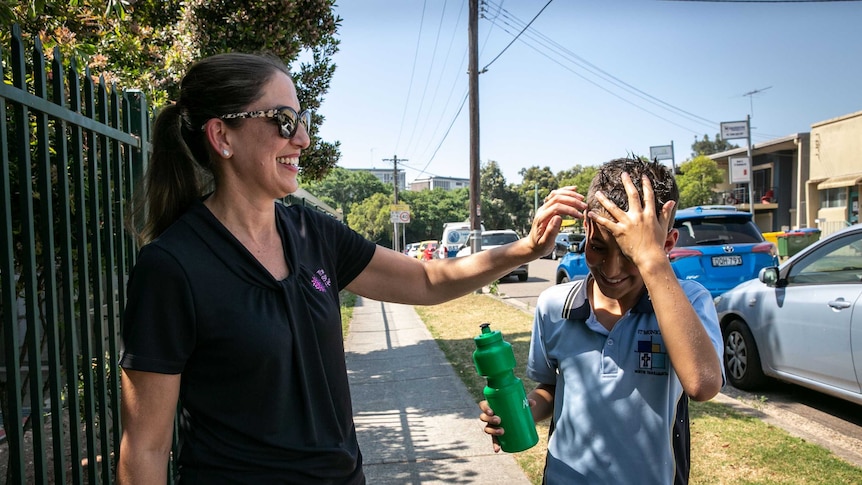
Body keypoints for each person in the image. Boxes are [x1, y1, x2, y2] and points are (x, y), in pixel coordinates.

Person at [116, 52, 586, 485]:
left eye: (302, 120)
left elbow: (426, 279)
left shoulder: (312, 234)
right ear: (222, 136)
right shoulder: (173, 268)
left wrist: (524, 250)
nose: (301, 138)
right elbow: (146, 448)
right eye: (283, 121)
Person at [479, 158, 724, 484]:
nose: (611, 269)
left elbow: (703, 385)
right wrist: (521, 412)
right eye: (597, 247)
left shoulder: (689, 302)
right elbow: (552, 388)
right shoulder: (555, 306)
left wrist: (651, 260)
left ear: (667, 244)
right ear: (585, 232)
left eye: (630, 253)